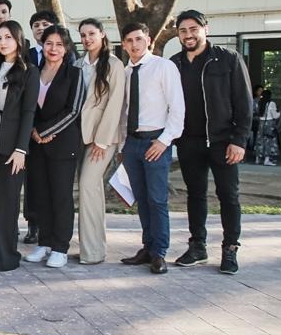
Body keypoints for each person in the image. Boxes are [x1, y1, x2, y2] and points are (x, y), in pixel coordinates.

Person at [170, 10, 253, 275]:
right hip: (188, 141)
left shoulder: (228, 59)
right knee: (195, 195)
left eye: (193, 29)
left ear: (206, 28)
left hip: (222, 141)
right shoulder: (174, 64)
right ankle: (197, 246)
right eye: (183, 30)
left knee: (228, 195)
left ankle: (230, 249)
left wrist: (239, 140)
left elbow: (244, 102)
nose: (188, 35)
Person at [118, 22, 185, 275]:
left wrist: (164, 141)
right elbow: (124, 111)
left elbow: (177, 109)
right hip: (132, 143)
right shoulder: (125, 72)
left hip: (156, 141)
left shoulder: (163, 67)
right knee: (142, 200)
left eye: (138, 39)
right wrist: (123, 143)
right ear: (124, 45)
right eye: (129, 41)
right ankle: (147, 246)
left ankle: (159, 252)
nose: (134, 45)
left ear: (149, 40)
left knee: (157, 199)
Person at [22, 25, 83, 269]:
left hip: (62, 145)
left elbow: (74, 109)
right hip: (36, 145)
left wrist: (45, 131)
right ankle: (44, 242)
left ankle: (60, 247)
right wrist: (33, 132)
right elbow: (27, 106)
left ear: (66, 48)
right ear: (42, 46)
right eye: (49, 43)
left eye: (59, 44)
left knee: (60, 196)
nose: (53, 48)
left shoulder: (74, 74)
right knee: (40, 195)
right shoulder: (33, 72)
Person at [0, 21, 38, 272]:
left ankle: (5, 256)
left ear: (18, 40)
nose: (2, 42)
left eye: (8, 37)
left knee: (6, 203)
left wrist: (21, 149)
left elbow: (28, 114)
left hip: (11, 146)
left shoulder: (29, 71)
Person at [75, 18, 125, 265]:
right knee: (89, 191)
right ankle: (90, 247)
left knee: (88, 184)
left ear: (102, 35)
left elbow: (115, 105)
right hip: (80, 137)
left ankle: (93, 252)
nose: (87, 39)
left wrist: (102, 141)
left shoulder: (114, 65)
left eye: (91, 33)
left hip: (103, 139)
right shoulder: (77, 65)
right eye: (83, 35)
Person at [255, 89, 280, 166]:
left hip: (261, 123)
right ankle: (267, 159)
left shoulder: (259, 102)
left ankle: (257, 159)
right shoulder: (271, 103)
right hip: (269, 123)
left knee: (260, 141)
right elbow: (275, 115)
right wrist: (279, 112)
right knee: (269, 141)